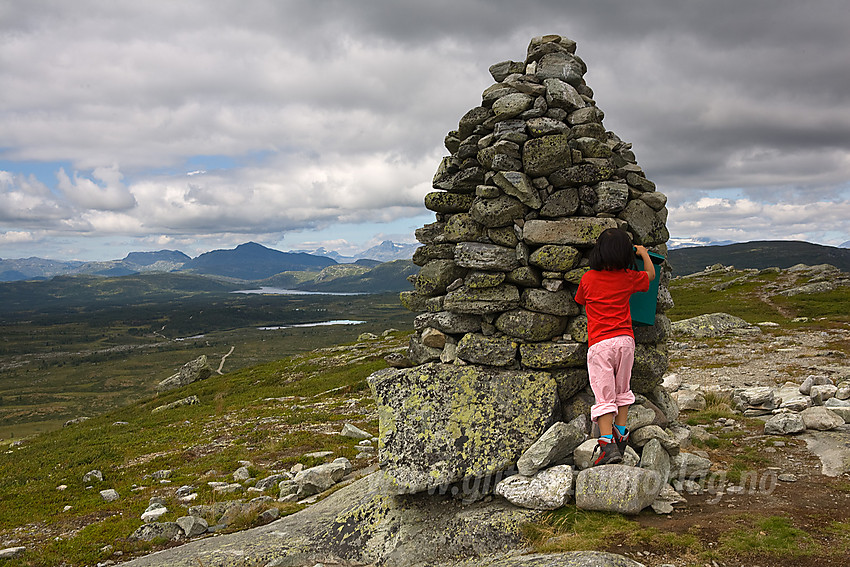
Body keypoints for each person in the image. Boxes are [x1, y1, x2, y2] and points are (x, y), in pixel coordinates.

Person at [574, 228, 656, 466]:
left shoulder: (588, 278)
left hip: (600, 344)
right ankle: (621, 435)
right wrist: (643, 253)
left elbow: (579, 300)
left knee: (604, 395)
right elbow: (650, 275)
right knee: (622, 390)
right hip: (625, 343)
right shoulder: (629, 277)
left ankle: (606, 445)